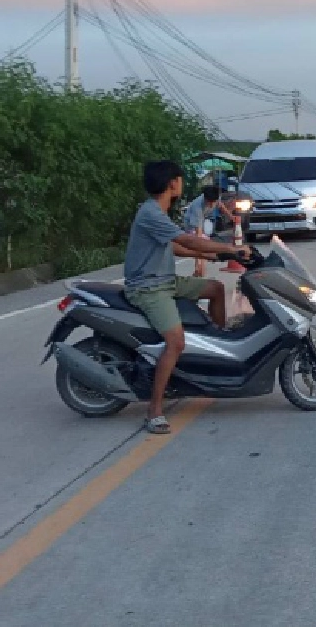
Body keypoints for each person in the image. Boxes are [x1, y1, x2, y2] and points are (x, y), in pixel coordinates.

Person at [124, 160, 253, 435]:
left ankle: (215, 352)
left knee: (216, 289)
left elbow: (175, 247)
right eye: (180, 180)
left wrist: (216, 255)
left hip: (165, 280)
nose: (181, 185)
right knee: (176, 342)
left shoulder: (157, 211)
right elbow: (188, 241)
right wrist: (231, 247)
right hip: (149, 287)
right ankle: (154, 411)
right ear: (172, 183)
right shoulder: (151, 213)